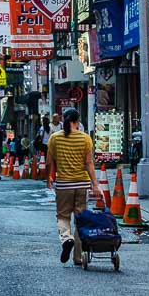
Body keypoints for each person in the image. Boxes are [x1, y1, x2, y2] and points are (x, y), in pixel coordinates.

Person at [46, 108, 104, 266]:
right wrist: (96, 185)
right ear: (78, 121)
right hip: (82, 185)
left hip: (64, 184)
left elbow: (49, 162)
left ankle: (66, 238)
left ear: (63, 119)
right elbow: (89, 163)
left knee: (63, 217)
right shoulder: (85, 138)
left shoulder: (54, 138)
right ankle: (78, 258)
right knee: (80, 219)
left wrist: (49, 178)